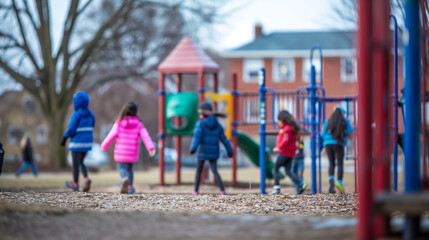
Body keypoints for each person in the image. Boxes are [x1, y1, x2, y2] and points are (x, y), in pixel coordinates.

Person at [101, 102, 156, 194]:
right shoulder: (138, 124)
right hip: (132, 152)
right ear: (135, 112)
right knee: (130, 169)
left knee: (122, 168)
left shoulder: (119, 123)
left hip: (121, 152)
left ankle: (124, 179)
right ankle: (130, 186)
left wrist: (104, 146)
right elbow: (145, 136)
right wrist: (151, 148)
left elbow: (111, 135)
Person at [189, 102, 233, 195]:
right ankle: (222, 190)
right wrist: (229, 150)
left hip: (202, 151)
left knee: (199, 171)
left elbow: (197, 137)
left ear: (205, 112)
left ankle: (196, 190)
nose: (199, 114)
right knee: (215, 170)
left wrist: (193, 148)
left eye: (200, 112)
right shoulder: (217, 124)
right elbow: (224, 139)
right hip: (213, 151)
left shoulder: (200, 123)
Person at [61, 91, 95, 192]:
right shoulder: (91, 114)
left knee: (75, 163)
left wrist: (64, 137)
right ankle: (86, 178)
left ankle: (75, 183)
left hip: (77, 143)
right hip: (87, 143)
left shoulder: (76, 115)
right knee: (81, 161)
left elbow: (71, 129)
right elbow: (92, 126)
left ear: (76, 102)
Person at [271, 110, 306, 194]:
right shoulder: (291, 127)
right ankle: (300, 184)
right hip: (290, 153)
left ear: (282, 120)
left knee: (275, 168)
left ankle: (276, 188)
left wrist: (279, 148)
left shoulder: (287, 128)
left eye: (279, 120)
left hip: (285, 152)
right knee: (288, 171)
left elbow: (286, 140)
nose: (278, 122)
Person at [321, 106, 354, 193]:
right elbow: (350, 130)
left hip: (328, 144)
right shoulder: (343, 121)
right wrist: (346, 120)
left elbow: (322, 134)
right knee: (340, 164)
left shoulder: (328, 121)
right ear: (342, 114)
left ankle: (330, 179)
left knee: (331, 163)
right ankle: (339, 181)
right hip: (338, 143)